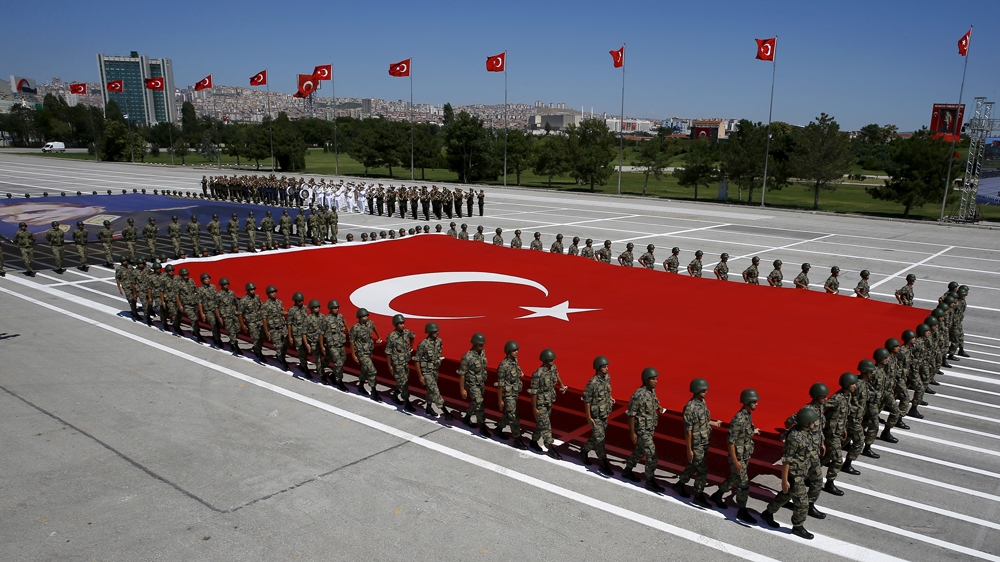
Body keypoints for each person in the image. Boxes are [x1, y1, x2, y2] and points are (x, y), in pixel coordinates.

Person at [760, 406, 819, 540]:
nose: (814, 423)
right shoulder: (795, 437)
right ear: (805, 422)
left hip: (801, 471)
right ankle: (797, 526)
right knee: (803, 503)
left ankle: (768, 513)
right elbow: (786, 460)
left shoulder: (805, 432)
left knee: (785, 497)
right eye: (812, 421)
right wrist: (784, 480)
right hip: (795, 474)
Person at [710, 388, 760, 523]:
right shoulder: (739, 419)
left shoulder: (748, 415)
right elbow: (731, 441)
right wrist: (735, 461)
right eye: (754, 401)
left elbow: (743, 434)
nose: (757, 404)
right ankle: (742, 511)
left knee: (733, 478)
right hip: (738, 458)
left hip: (744, 455)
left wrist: (753, 431)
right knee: (743, 485)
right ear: (747, 402)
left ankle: (717, 495)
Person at [673, 378, 722, 507]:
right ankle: (698, 496)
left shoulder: (702, 403)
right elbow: (688, 431)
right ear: (695, 390)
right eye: (702, 390)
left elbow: (704, 420)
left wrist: (713, 423)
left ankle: (680, 484)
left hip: (704, 442)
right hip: (696, 445)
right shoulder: (690, 408)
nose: (705, 391)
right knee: (703, 470)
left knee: (694, 466)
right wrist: (689, 450)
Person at [623, 367, 667, 491]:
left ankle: (627, 470)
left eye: (656, 379)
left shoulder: (651, 391)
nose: (656, 381)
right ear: (646, 380)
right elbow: (631, 414)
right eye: (653, 379)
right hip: (642, 430)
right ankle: (650, 481)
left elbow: (654, 402)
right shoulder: (638, 395)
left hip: (650, 427)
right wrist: (632, 433)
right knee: (652, 454)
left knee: (640, 451)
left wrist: (659, 407)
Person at [822, 373, 857, 497]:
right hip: (831, 434)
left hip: (838, 432)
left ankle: (810, 475)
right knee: (837, 460)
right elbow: (822, 407)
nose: (855, 386)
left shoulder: (847, 396)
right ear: (847, 385)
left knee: (828, 456)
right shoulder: (837, 398)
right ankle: (829, 483)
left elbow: (843, 415)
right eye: (853, 384)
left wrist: (844, 429)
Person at [529, 349, 567, 459]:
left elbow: (557, 374)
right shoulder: (538, 374)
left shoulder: (553, 368)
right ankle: (550, 447)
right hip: (540, 403)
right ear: (545, 360)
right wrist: (534, 408)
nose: (552, 361)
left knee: (542, 424)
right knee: (546, 425)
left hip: (549, 401)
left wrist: (561, 385)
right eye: (550, 359)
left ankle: (533, 441)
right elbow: (533, 392)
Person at [580, 356, 614, 476]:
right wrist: (589, 417)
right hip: (596, 416)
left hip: (604, 413)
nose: (607, 368)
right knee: (600, 439)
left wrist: (610, 398)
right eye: (604, 367)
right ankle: (603, 463)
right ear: (598, 368)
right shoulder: (592, 383)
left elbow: (607, 391)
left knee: (597, 437)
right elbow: (587, 400)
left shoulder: (607, 378)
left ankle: (584, 451)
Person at [495, 341, 527, 449]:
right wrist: (500, 400)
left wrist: (520, 372)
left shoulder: (514, 361)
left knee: (509, 413)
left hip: (515, 392)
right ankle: (517, 439)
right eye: (514, 350)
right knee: (513, 416)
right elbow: (500, 385)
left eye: (517, 350)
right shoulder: (503, 366)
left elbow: (516, 368)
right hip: (507, 395)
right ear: (508, 352)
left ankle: (499, 429)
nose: (516, 352)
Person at [416, 322, 451, 419]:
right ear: (429, 332)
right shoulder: (423, 344)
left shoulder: (439, 341)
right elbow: (417, 360)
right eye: (434, 331)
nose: (437, 333)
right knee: (435, 391)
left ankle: (428, 407)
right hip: (426, 371)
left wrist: (439, 359)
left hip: (435, 370)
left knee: (430, 391)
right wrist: (420, 375)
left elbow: (440, 352)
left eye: (437, 331)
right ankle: (446, 412)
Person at [458, 333, 490, 435]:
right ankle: (482, 426)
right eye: (480, 344)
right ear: (474, 343)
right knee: (479, 403)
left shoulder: (482, 353)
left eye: (482, 344)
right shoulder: (467, 357)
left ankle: (467, 418)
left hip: (480, 383)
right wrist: (462, 389)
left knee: (475, 402)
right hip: (471, 384)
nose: (482, 346)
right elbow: (462, 374)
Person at [350, 308, 382, 400]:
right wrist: (353, 355)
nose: (366, 317)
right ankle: (374, 391)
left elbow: (374, 327)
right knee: (372, 371)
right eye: (364, 316)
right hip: (361, 352)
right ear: (359, 318)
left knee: (365, 369)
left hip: (369, 351)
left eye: (367, 316)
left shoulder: (370, 323)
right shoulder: (355, 328)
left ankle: (360, 385)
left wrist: (379, 336)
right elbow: (352, 342)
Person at [386, 314, 416, 411]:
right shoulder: (391, 336)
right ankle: (407, 402)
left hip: (405, 362)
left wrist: (410, 346)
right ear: (395, 324)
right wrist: (389, 365)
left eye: (403, 323)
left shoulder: (406, 332)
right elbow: (388, 352)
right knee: (404, 383)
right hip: (397, 364)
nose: (402, 325)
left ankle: (394, 395)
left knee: (402, 382)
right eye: (400, 324)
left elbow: (413, 336)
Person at [260, 286, 290, 371]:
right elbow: (264, 319)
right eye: (272, 292)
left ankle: (280, 355)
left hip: (282, 327)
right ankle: (283, 363)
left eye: (275, 292)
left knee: (286, 343)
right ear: (268, 294)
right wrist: (266, 331)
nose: (274, 293)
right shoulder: (265, 305)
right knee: (278, 346)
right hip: (273, 329)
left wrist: (289, 313)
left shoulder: (279, 302)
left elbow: (281, 312)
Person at [321, 300, 349, 390]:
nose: (336, 309)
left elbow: (345, 323)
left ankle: (333, 375)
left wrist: (348, 330)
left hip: (340, 343)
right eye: (334, 308)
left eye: (337, 308)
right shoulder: (326, 319)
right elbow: (321, 334)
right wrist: (322, 346)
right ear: (330, 309)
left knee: (343, 359)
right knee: (339, 363)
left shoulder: (340, 316)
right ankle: (339, 381)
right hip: (331, 345)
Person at [216, 278, 242, 354]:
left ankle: (231, 341)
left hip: (233, 314)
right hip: (226, 316)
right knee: (231, 331)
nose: (226, 285)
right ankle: (235, 345)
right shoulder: (218, 295)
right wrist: (219, 317)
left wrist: (238, 312)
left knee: (238, 328)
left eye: (227, 284)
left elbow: (236, 302)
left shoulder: (231, 293)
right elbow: (216, 307)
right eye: (224, 284)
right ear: (221, 285)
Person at [197, 273, 223, 347]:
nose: (208, 280)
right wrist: (202, 313)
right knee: (213, 324)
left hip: (215, 309)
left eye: (208, 278)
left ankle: (215, 336)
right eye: (206, 279)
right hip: (208, 310)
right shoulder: (200, 290)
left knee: (218, 324)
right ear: (202, 280)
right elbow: (200, 302)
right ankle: (218, 340)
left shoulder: (213, 287)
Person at [287, 292, 310, 376]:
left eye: (302, 300)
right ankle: (304, 367)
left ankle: (302, 363)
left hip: (305, 333)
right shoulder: (292, 310)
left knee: (306, 350)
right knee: (301, 351)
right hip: (297, 334)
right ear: (295, 301)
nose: (301, 302)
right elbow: (289, 324)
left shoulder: (305, 308)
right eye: (299, 301)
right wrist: (290, 336)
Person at [239, 283, 263, 359]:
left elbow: (261, 306)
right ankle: (258, 353)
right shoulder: (243, 300)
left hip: (259, 320)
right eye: (251, 290)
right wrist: (242, 325)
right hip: (251, 322)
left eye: (254, 289)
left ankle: (256, 348)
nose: (253, 291)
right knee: (255, 337)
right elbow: (239, 313)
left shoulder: (257, 297)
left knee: (261, 337)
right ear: (248, 290)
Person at [302, 300, 325, 379]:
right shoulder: (307, 319)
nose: (317, 308)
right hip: (313, 342)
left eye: (318, 307)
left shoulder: (322, 317)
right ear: (311, 308)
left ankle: (321, 370)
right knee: (318, 359)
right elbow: (304, 333)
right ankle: (322, 375)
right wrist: (306, 344)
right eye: (315, 307)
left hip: (322, 342)